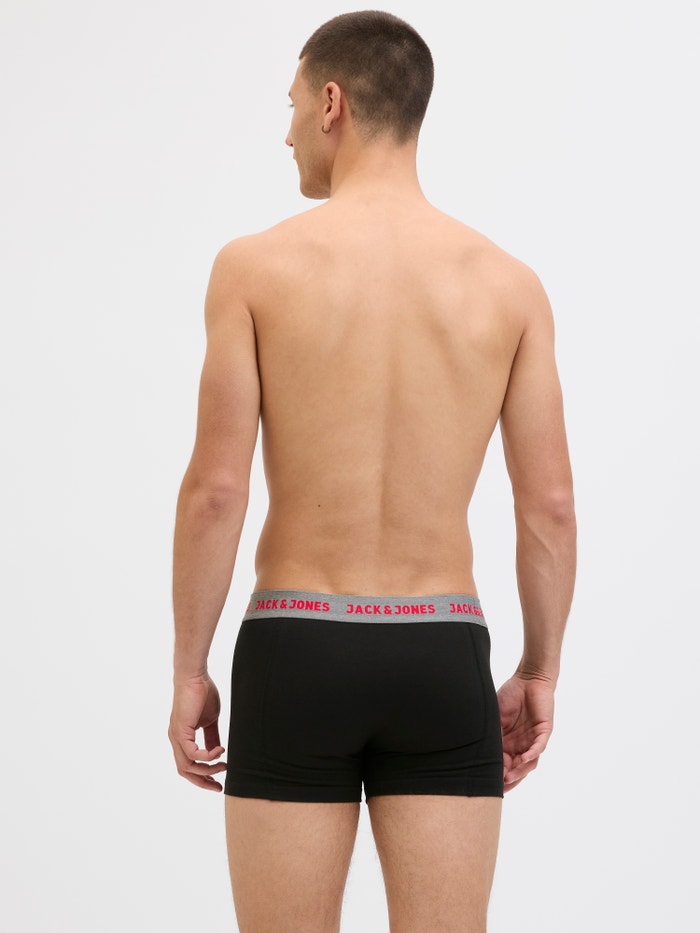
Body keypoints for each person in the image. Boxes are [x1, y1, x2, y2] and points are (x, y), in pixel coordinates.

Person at [168, 10, 576, 932]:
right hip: (441, 650)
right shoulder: (509, 286)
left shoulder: (254, 268)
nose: (286, 133)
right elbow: (549, 504)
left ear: (332, 103)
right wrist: (539, 668)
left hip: (296, 644)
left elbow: (216, 492)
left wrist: (190, 665)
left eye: (290, 106)